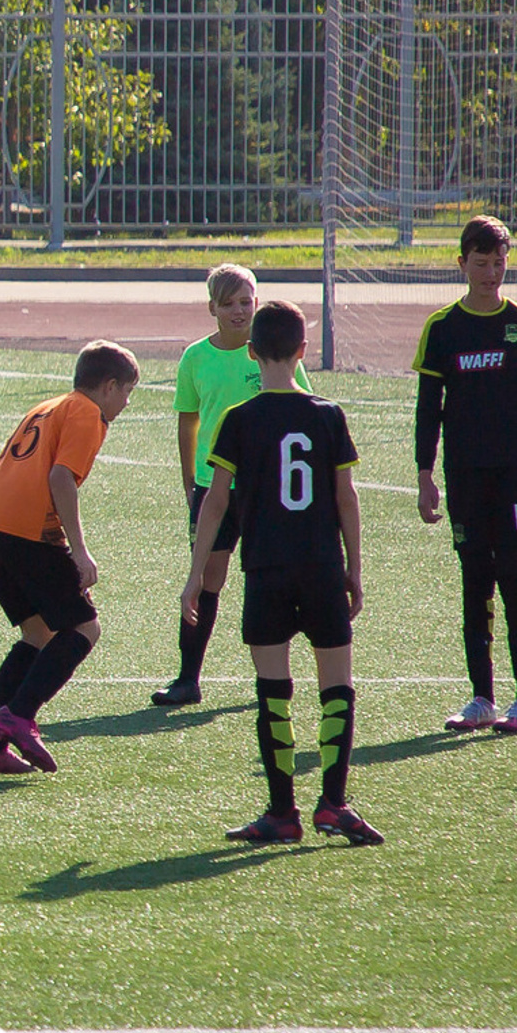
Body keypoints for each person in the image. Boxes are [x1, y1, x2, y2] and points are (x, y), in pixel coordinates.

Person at [182, 300, 381, 845]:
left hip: (265, 569)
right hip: (320, 567)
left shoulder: (238, 420)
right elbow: (347, 497)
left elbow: (215, 504)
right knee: (336, 687)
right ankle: (334, 805)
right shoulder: (327, 415)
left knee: (273, 691)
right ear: (301, 351)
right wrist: (355, 569)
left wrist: (195, 574)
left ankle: (282, 813)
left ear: (251, 351)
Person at [0, 341, 139, 774]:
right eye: (128, 392)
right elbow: (60, 477)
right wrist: (79, 550)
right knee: (84, 628)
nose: (127, 403)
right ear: (109, 386)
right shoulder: (88, 413)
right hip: (24, 531)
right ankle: (18, 715)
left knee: (37, 634)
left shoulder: (45, 408)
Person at [414, 216, 517, 736]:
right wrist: (425, 474)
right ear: (461, 265)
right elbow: (429, 408)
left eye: (499, 263)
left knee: (515, 578)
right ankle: (481, 698)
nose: (491, 273)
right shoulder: (443, 328)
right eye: (481, 264)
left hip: (515, 473)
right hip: (465, 474)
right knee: (475, 581)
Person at [155, 263, 312, 708]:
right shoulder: (195, 358)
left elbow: (304, 406)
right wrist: (190, 483)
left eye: (246, 301)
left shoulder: (274, 352)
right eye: (229, 303)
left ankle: (276, 671)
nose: (239, 311)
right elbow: (188, 422)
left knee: (273, 576)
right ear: (213, 308)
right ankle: (188, 678)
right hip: (213, 485)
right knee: (207, 577)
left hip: (265, 487)